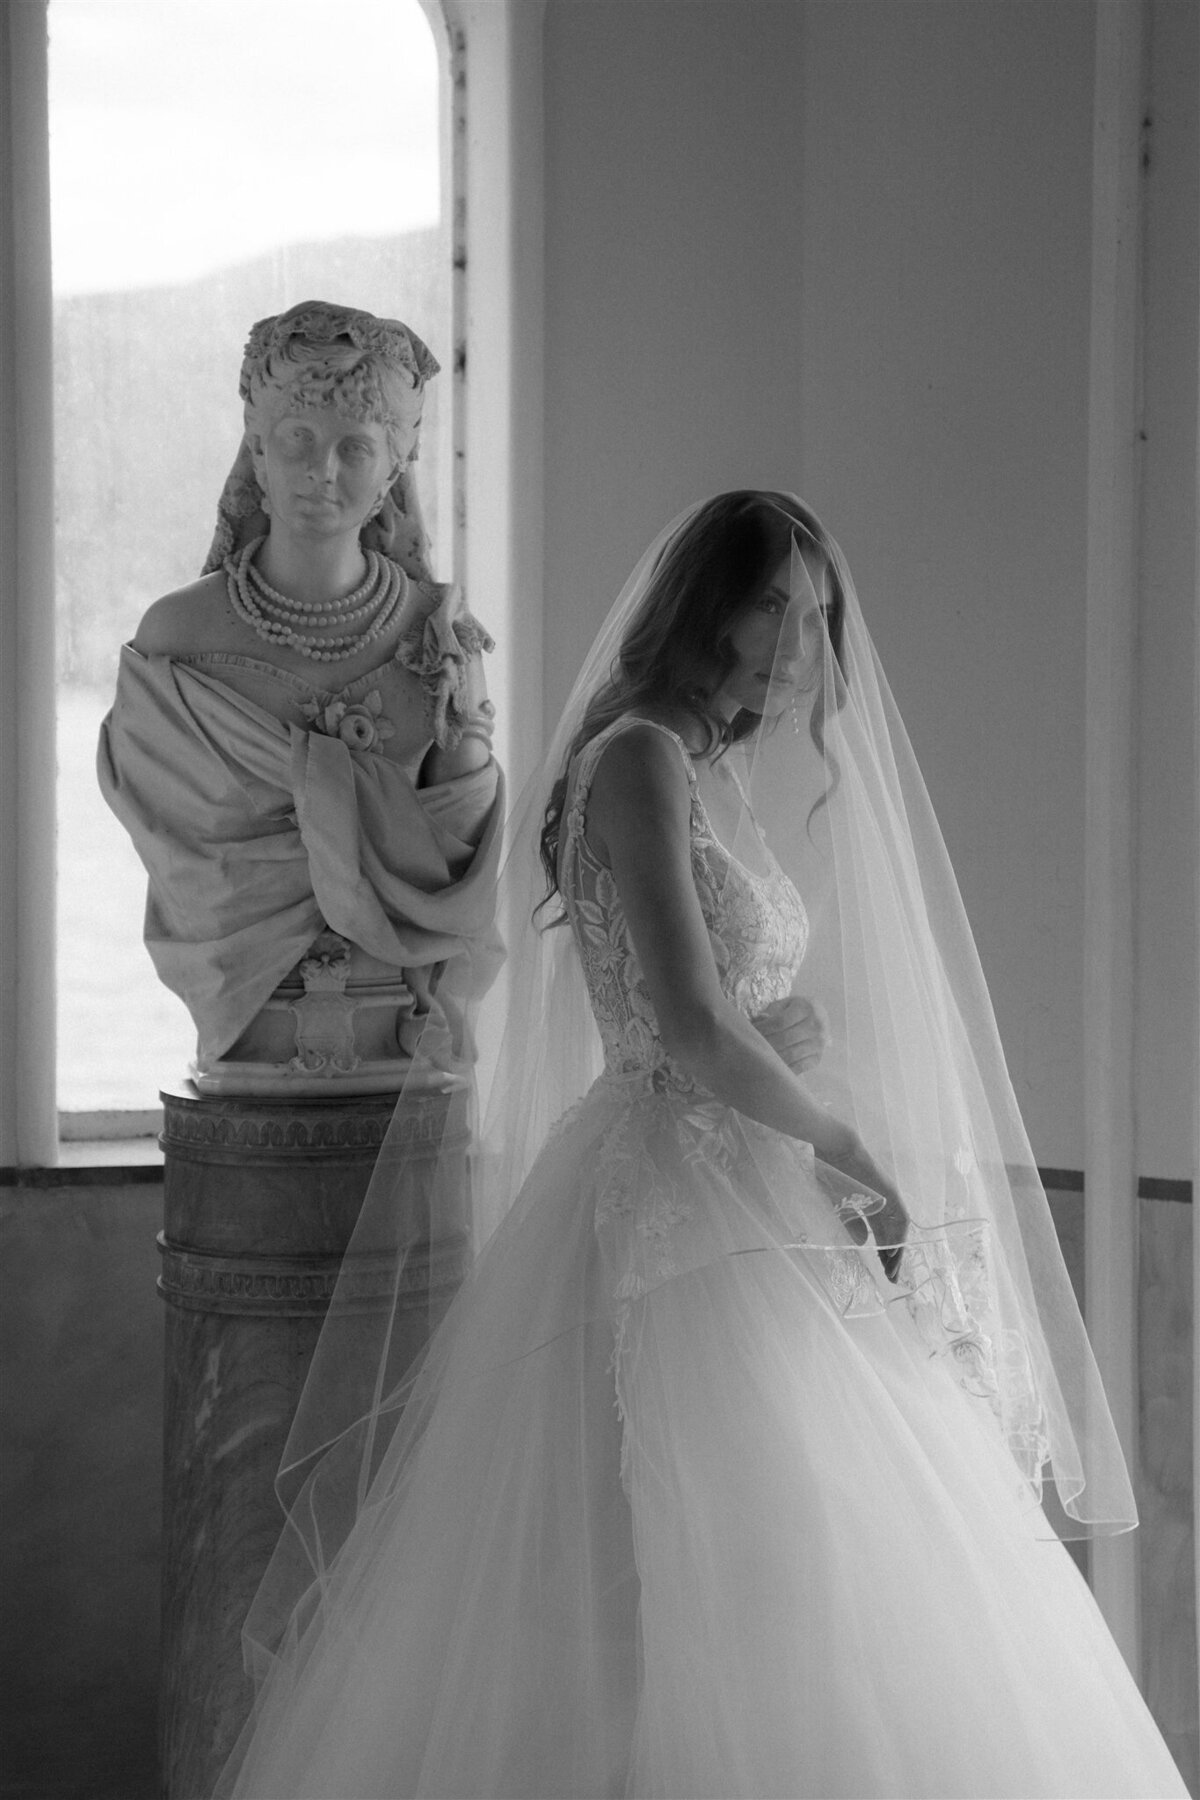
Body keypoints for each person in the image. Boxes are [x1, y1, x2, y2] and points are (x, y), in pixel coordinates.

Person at [215, 492, 1187, 1799]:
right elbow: (682, 1021)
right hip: (681, 1193)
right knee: (720, 1555)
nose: (799, 640)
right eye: (772, 602)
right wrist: (849, 1143)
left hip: (732, 1176)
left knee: (805, 1553)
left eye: (819, 613)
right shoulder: (641, 758)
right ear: (704, 602)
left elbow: (716, 1012)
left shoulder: (692, 762)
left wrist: (775, 1032)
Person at [98, 301, 502, 1086]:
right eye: (298, 441)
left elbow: (460, 883)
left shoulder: (442, 642)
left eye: (356, 447)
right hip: (248, 1043)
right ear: (257, 447)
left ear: (393, 470)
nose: (323, 471)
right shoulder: (177, 641)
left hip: (402, 1051)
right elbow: (187, 866)